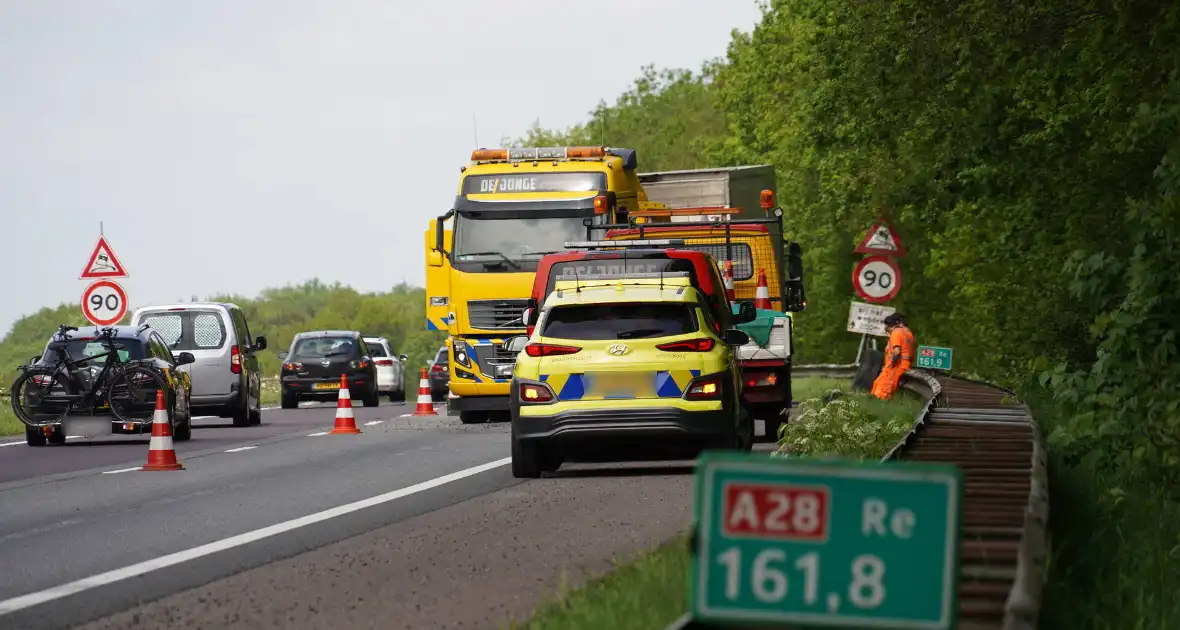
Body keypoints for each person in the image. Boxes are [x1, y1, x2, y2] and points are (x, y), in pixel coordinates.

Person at [871, 313, 915, 400]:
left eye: (886, 327)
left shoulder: (896, 333)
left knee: (884, 389)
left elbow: (897, 352)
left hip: (896, 366)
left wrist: (892, 365)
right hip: (903, 364)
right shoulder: (908, 333)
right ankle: (874, 401)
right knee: (877, 383)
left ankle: (880, 403)